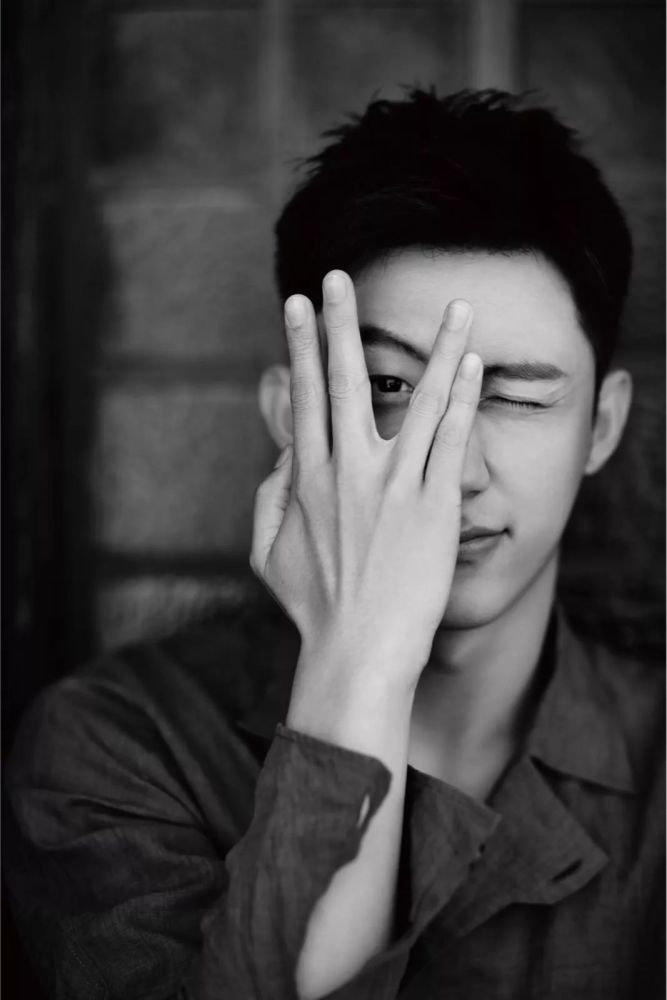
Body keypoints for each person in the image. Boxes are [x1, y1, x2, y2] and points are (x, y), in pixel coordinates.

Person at [4, 89, 664, 1000]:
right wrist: (361, 662)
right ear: (292, 414)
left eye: (514, 397)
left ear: (601, 427)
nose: (451, 471)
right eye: (389, 385)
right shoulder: (115, 748)